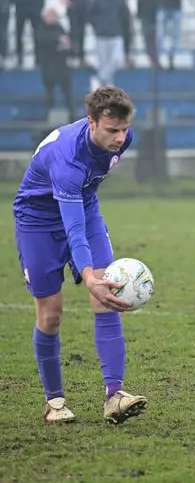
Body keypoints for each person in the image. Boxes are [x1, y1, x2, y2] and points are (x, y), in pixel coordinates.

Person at [13, 87, 148, 424]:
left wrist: (94, 275)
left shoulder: (123, 140)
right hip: (38, 221)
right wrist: (86, 274)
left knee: (107, 294)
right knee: (51, 314)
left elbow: (81, 210)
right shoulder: (67, 160)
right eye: (112, 130)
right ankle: (54, 402)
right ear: (91, 123)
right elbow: (72, 229)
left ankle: (114, 395)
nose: (120, 138)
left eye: (124, 129)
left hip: (83, 207)